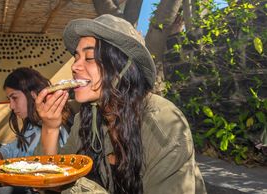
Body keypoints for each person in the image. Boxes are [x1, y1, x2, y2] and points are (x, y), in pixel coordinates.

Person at [35, 14, 207, 194]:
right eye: (76, 57)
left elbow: (60, 183)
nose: (74, 66)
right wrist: (50, 127)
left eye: (89, 57)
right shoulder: (86, 118)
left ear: (122, 67)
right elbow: (49, 181)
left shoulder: (164, 123)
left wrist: (74, 186)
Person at [0, 67, 72, 194]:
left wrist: (4, 177)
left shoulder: (56, 128)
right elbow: (18, 146)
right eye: (9, 99)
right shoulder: (30, 125)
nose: (11, 106)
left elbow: (52, 170)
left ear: (33, 94)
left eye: (14, 98)